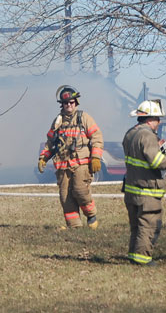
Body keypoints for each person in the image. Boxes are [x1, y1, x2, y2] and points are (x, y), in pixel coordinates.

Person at [38, 85, 103, 230]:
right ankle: (75, 226)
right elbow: (50, 143)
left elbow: (97, 137)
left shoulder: (84, 117)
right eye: (66, 103)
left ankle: (91, 215)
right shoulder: (57, 121)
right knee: (65, 197)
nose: (69, 105)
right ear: (62, 104)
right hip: (62, 166)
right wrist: (43, 157)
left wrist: (96, 157)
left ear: (76, 102)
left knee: (80, 190)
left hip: (81, 163)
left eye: (72, 102)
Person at [122, 99, 166, 266]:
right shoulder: (147, 135)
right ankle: (143, 260)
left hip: (132, 190)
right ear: (150, 119)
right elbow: (157, 162)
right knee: (148, 225)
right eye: (157, 119)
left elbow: (141, 155)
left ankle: (134, 255)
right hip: (146, 192)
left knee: (136, 227)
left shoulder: (131, 133)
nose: (159, 123)